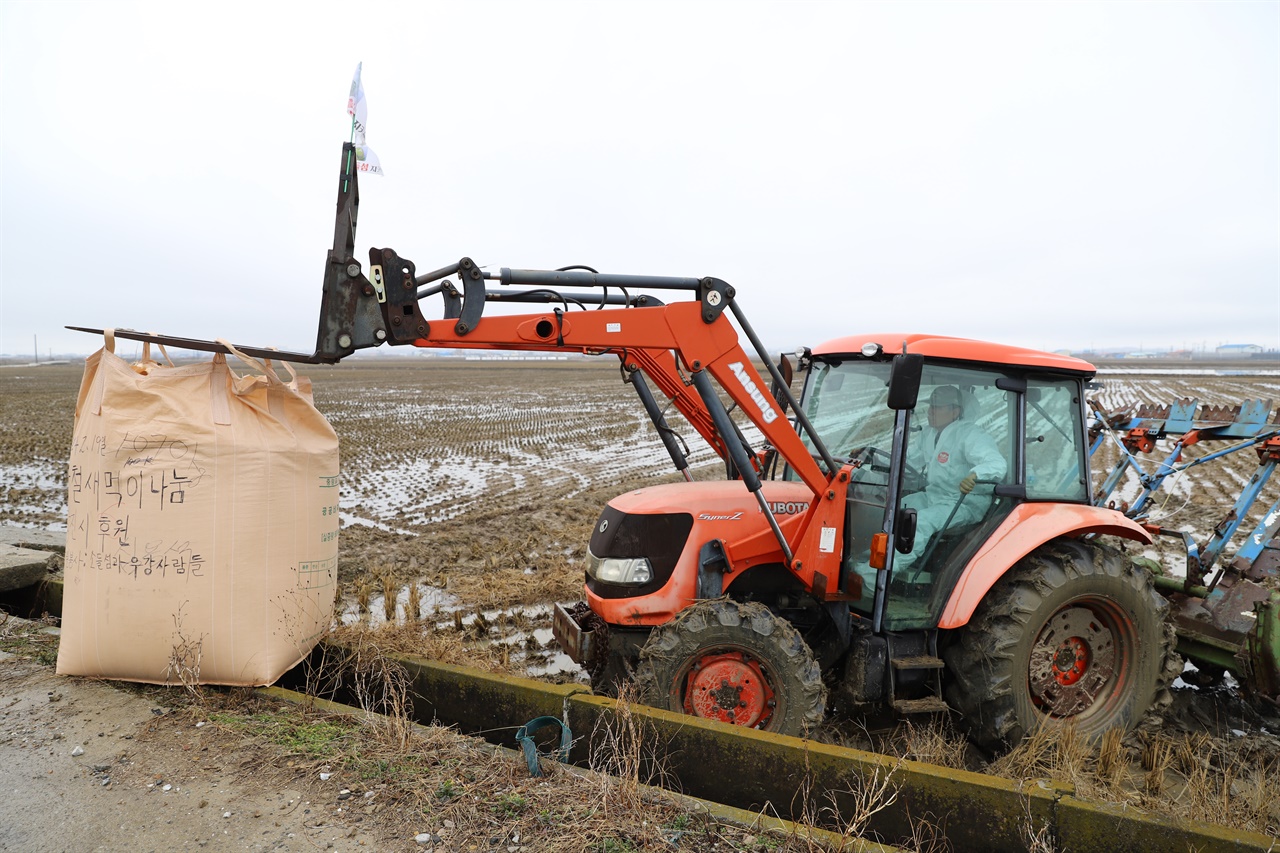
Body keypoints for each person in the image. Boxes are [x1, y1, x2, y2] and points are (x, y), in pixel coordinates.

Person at [895, 385, 1007, 576]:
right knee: (895, 511)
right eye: (930, 406)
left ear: (955, 411)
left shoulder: (971, 434)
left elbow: (996, 463)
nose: (930, 412)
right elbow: (908, 459)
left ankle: (878, 576)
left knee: (919, 521)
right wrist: (872, 458)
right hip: (934, 496)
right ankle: (867, 559)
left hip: (963, 503)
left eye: (937, 407)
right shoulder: (928, 434)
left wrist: (975, 475)